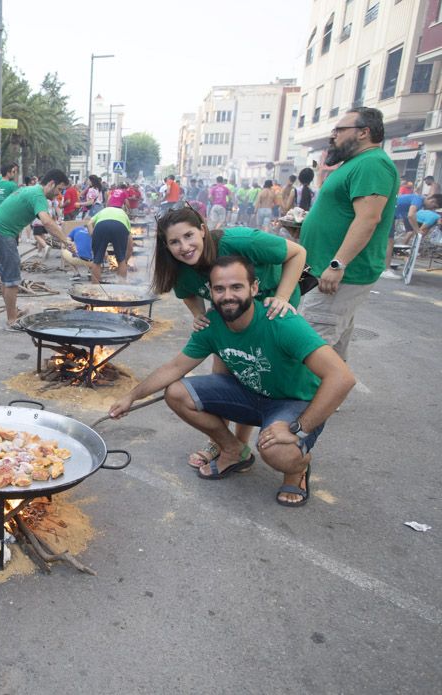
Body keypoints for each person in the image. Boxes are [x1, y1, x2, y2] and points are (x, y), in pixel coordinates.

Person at [110, 256, 355, 506]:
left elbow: (341, 377)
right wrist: (131, 396)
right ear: (211, 292)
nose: (228, 295)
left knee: (279, 453)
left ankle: (297, 469)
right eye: (219, 288)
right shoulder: (213, 324)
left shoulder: (281, 322)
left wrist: (299, 427)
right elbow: (174, 367)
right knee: (176, 393)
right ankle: (233, 450)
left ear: (254, 288)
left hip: (293, 402)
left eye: (236, 287)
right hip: (250, 396)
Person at [151, 204, 307, 469]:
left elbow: (297, 253)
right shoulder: (179, 265)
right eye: (175, 242)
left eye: (188, 236)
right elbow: (186, 290)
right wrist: (198, 314)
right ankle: (225, 442)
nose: (184, 246)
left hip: (271, 310)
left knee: (253, 374)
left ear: (202, 230)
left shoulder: (241, 241)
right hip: (230, 311)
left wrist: (281, 298)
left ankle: (238, 441)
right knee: (223, 375)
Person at [299, 107, 399, 359]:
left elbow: (368, 218)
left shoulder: (372, 163)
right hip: (326, 272)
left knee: (306, 350)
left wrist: (337, 264)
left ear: (364, 132)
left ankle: (305, 399)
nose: (333, 135)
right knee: (330, 352)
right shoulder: (356, 164)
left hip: (337, 276)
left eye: (340, 130)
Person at [0, 169, 75, 329]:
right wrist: (66, 241)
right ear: (51, 183)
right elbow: (47, 222)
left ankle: (11, 313)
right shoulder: (38, 194)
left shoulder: (30, 190)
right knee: (12, 280)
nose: (59, 194)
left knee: (7, 278)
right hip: (2, 235)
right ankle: (12, 320)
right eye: (59, 189)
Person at [83, 205, 133, 283]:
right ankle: (122, 286)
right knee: (121, 260)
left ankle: (95, 289)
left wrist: (94, 236)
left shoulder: (102, 211)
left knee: (97, 261)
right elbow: (130, 241)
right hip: (119, 227)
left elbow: (89, 224)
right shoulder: (123, 213)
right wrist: (125, 260)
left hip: (101, 226)